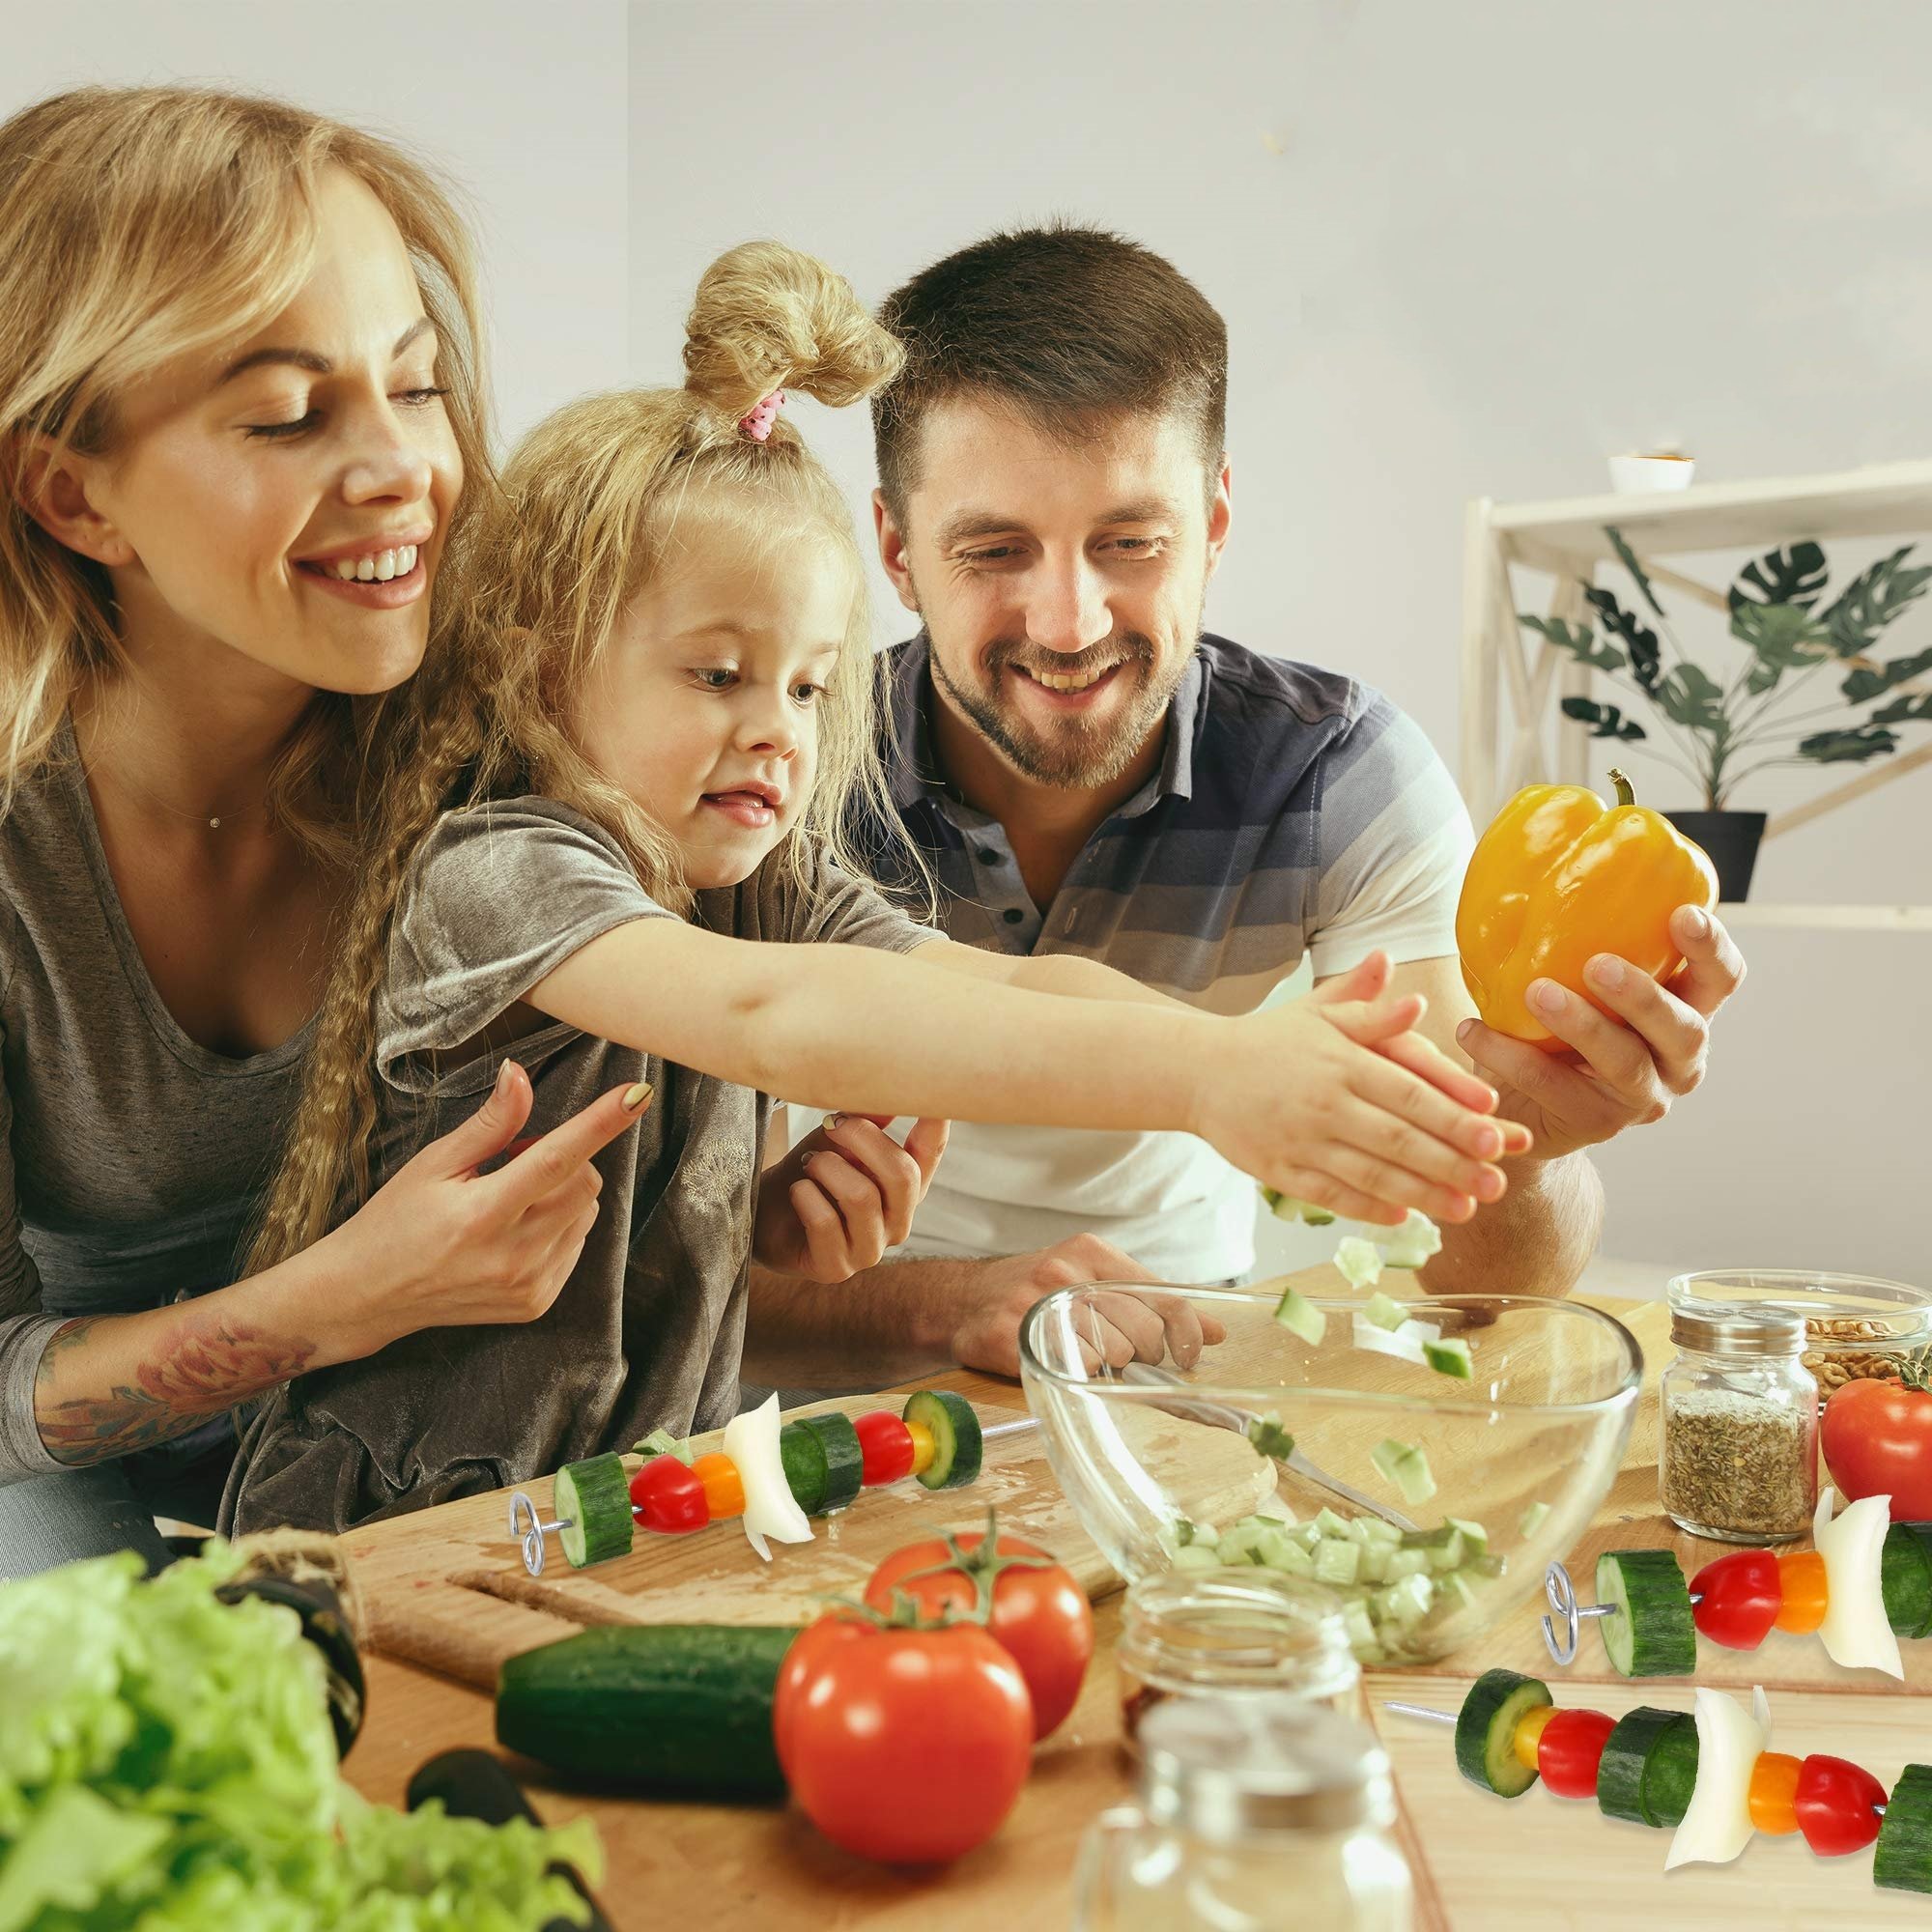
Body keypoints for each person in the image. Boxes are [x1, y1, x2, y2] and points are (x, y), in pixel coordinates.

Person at [222, 241, 1523, 1534]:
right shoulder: (501, 871)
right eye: (716, 675)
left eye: (806, 682)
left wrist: (1257, 1054)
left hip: (621, 1503)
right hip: (383, 1521)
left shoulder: (756, 874)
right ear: (542, 664)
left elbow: (999, 989)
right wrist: (1215, 1081)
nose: (782, 729)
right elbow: (767, 1015)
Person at [747, 223, 1747, 1378]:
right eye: (993, 550)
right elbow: (666, 1277)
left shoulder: (1338, 772)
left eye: (1129, 540)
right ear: (895, 548)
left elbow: (1485, 1282)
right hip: (836, 1398)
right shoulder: (785, 770)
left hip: (1181, 1354)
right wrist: (941, 1305)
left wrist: (1522, 1145)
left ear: (1213, 524)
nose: (1068, 622)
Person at [0, 85, 636, 1579]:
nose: (405, 472)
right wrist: (328, 1304)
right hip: (91, 1521)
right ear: (73, 496)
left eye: (413, 389)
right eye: (288, 414)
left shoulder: (503, 746)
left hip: (445, 1464)